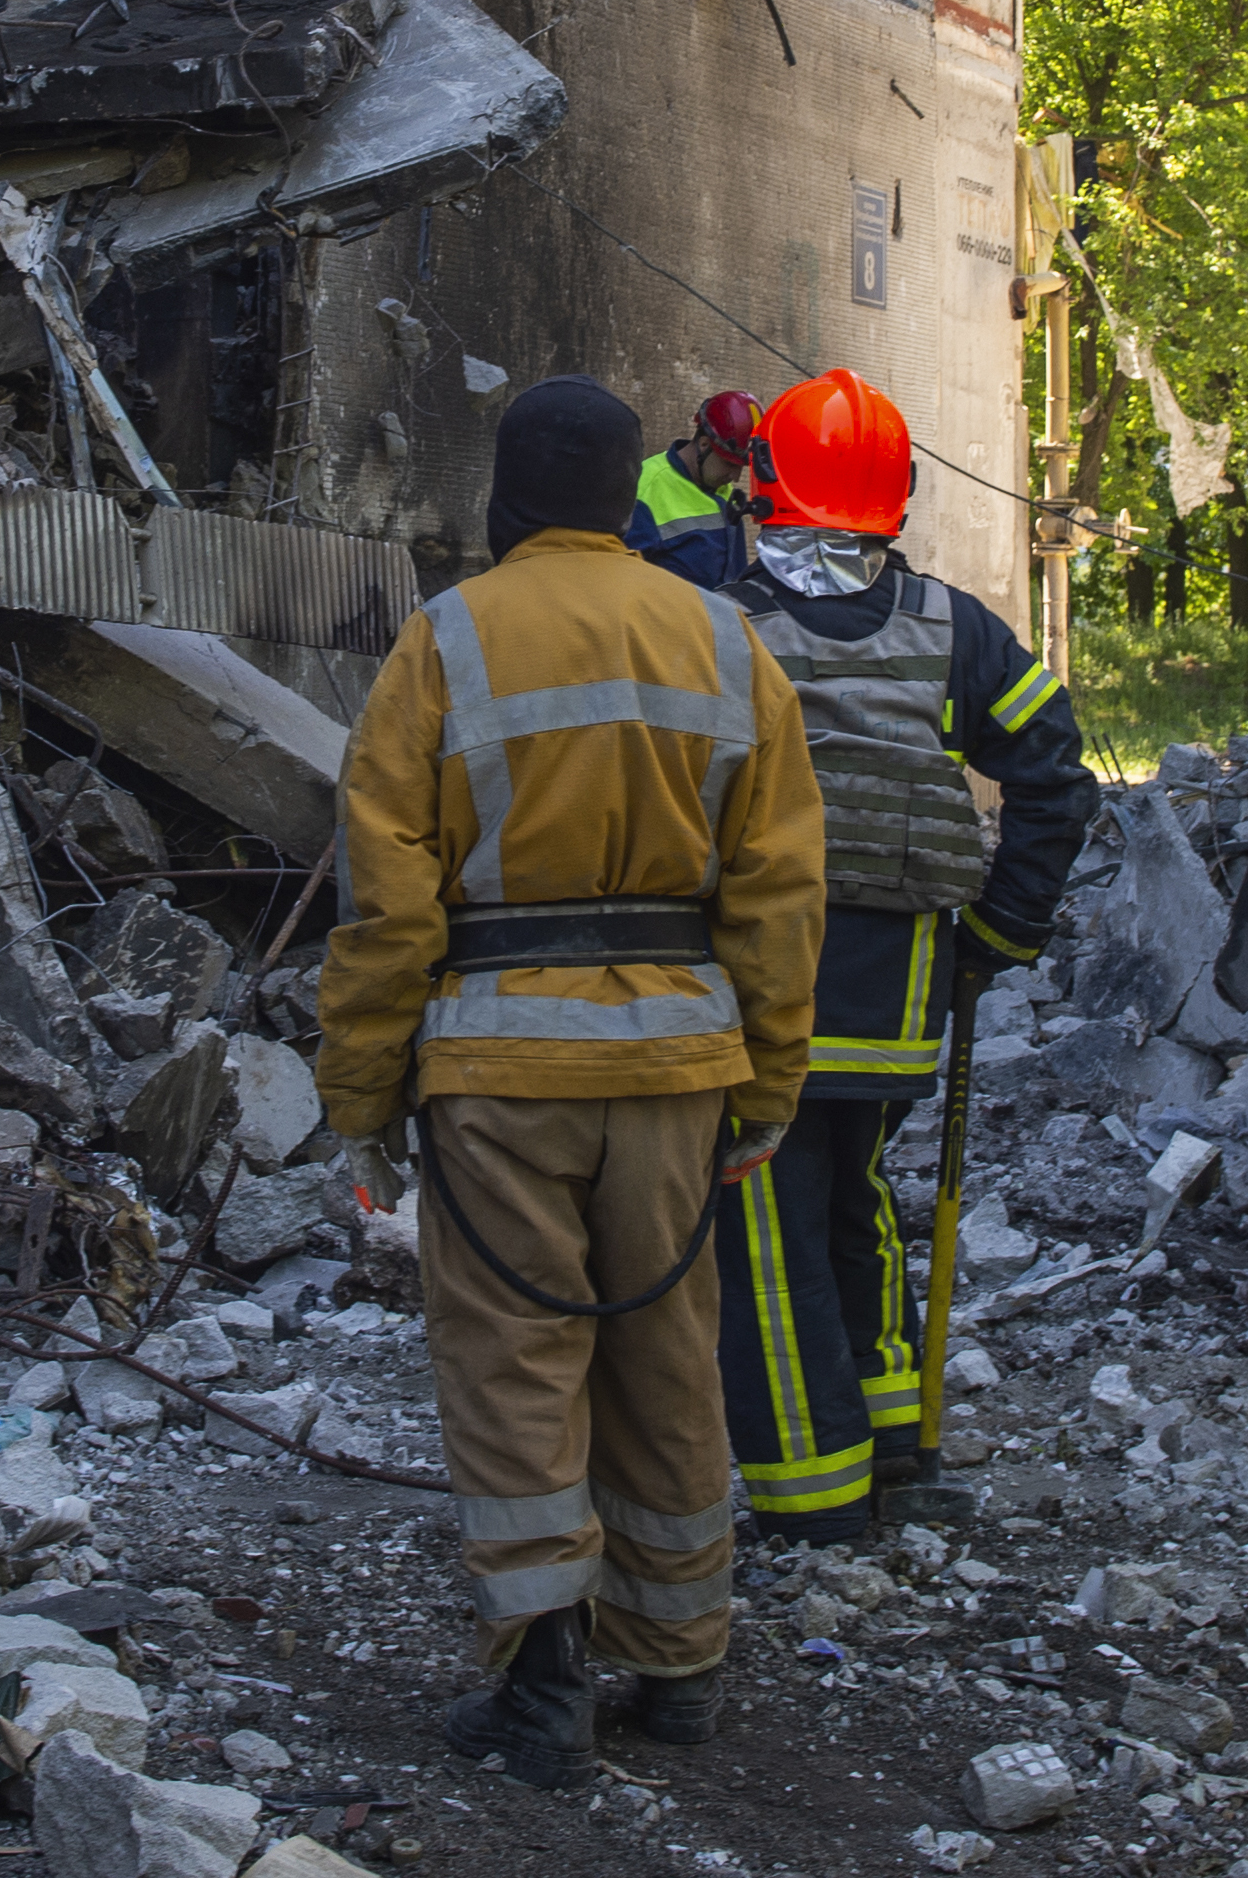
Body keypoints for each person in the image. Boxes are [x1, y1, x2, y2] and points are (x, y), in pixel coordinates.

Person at [318, 375, 826, 1785]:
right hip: (676, 1068)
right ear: (626, 495)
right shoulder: (726, 645)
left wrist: (360, 1087)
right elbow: (781, 892)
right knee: (667, 1356)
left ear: (506, 495)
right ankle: (679, 1667)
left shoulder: (445, 642)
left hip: (497, 1073)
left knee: (513, 1362)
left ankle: (540, 1675)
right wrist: (767, 1082)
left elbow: (388, 901)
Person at [710, 369, 1097, 1537]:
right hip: (903, 980)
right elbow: (1054, 778)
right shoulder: (956, 628)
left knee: (762, 1228)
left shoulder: (710, 618)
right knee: (856, 1198)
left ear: (762, 486)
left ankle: (811, 1497)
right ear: (899, 495)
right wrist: (996, 935)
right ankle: (893, 1446)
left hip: (761, 973)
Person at [623, 390, 760, 583]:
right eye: (729, 464)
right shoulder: (646, 489)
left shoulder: (721, 488)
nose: (735, 477)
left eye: (741, 467)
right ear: (704, 444)